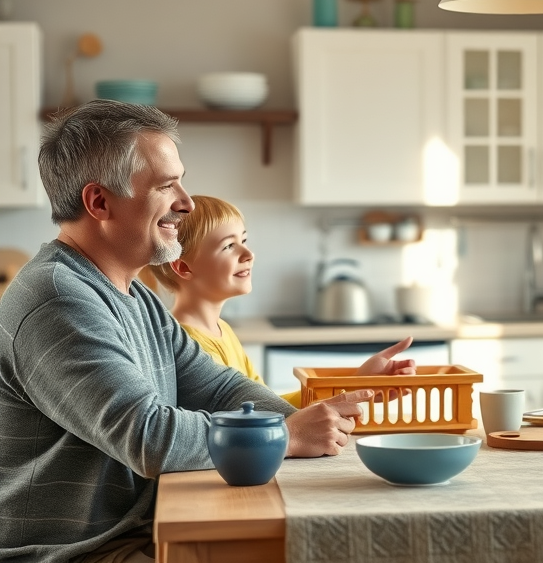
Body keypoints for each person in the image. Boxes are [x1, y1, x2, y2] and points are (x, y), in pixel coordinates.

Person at [0, 100, 403, 563]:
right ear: (99, 202)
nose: (186, 203)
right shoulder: (59, 299)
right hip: (76, 552)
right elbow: (149, 436)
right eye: (167, 186)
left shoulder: (133, 295)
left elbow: (218, 387)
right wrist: (287, 434)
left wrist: (318, 422)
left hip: (134, 531)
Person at [142, 195, 415, 408]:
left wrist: (356, 386)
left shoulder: (222, 331)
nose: (248, 254)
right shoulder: (191, 344)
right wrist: (351, 390)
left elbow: (269, 406)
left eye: (244, 241)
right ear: (184, 268)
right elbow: (254, 420)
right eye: (228, 246)